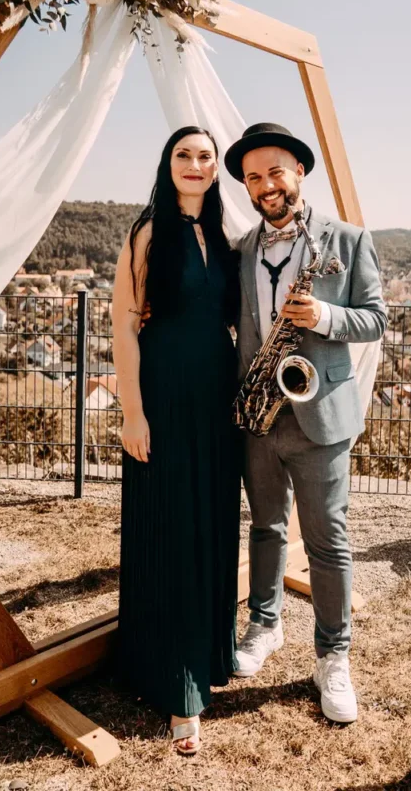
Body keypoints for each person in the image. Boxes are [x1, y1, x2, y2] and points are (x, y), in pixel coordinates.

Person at [224, 122, 387, 723]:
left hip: (321, 415)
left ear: (299, 172)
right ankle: (264, 626)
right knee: (265, 527)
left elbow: (375, 319)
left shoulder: (346, 240)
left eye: (275, 172)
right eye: (253, 177)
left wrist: (322, 314)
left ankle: (333, 656)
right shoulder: (241, 249)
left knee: (327, 541)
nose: (266, 185)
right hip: (261, 414)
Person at [112, 125, 241, 756]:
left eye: (205, 157)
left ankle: (210, 654)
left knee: (211, 525)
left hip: (217, 403)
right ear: (168, 164)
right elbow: (124, 328)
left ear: (216, 170)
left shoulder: (222, 235)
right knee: (172, 527)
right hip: (162, 398)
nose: (194, 164)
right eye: (183, 155)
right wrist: (133, 413)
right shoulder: (146, 232)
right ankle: (178, 686)